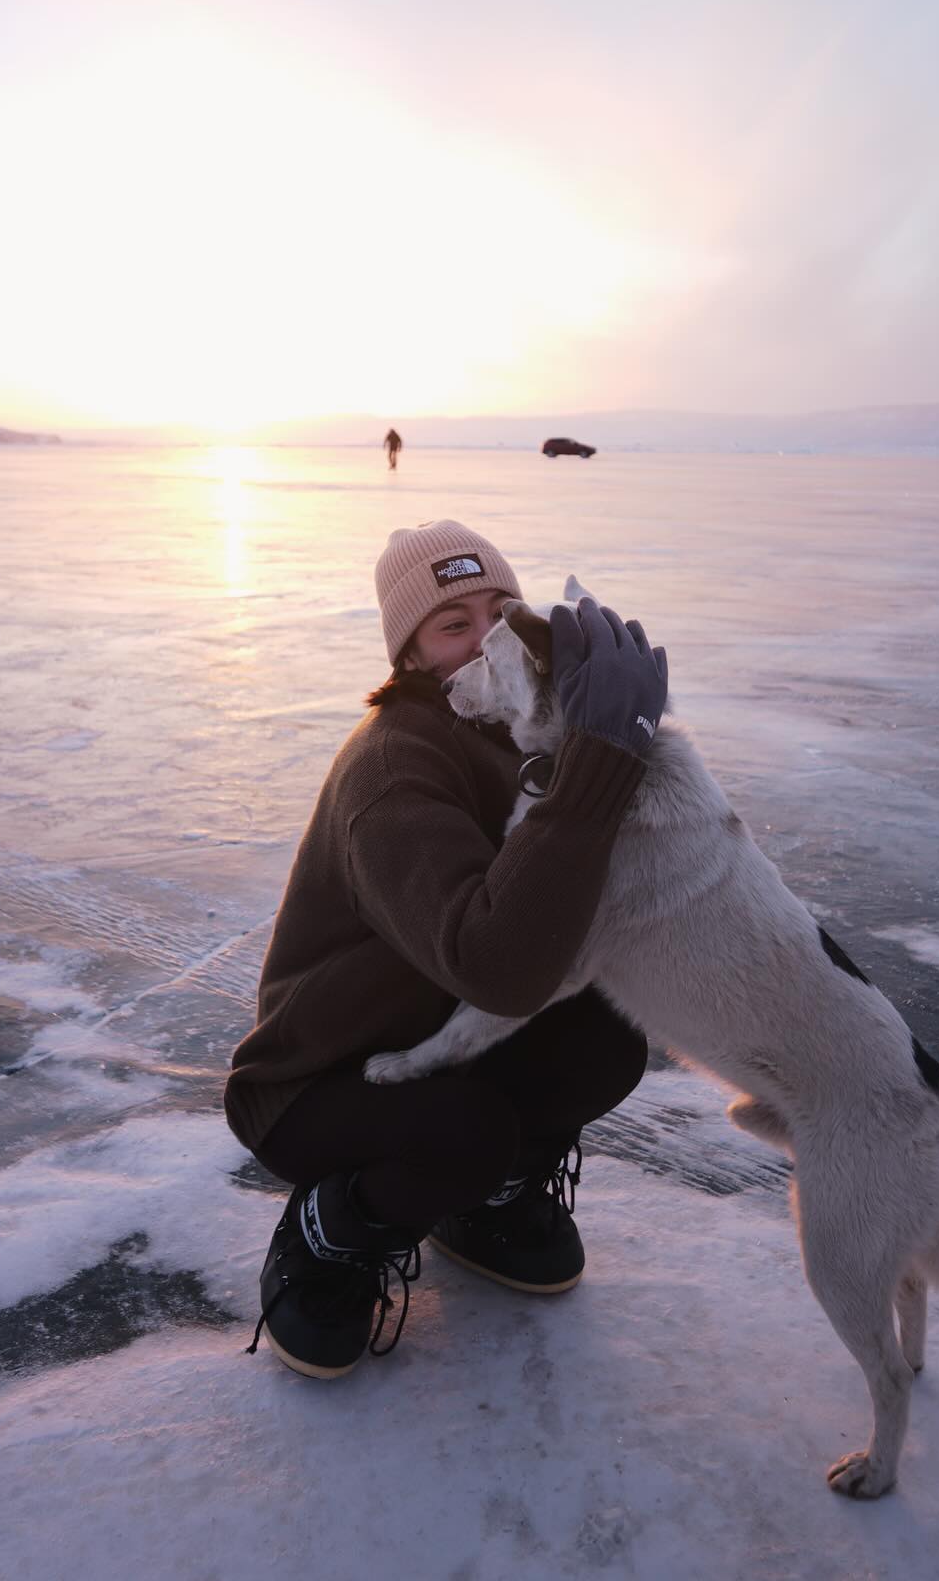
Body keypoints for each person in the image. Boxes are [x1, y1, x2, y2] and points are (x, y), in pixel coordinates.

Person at [225, 519, 668, 1380]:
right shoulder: (393, 768)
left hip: (437, 1034)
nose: (483, 640)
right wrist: (595, 772)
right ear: (411, 654)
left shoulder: (517, 733)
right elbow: (496, 966)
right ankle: (333, 1230)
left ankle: (488, 1201)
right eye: (452, 623)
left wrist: (612, 756)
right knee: (468, 1132)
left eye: (500, 612)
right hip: (320, 1077)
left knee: (608, 1041)